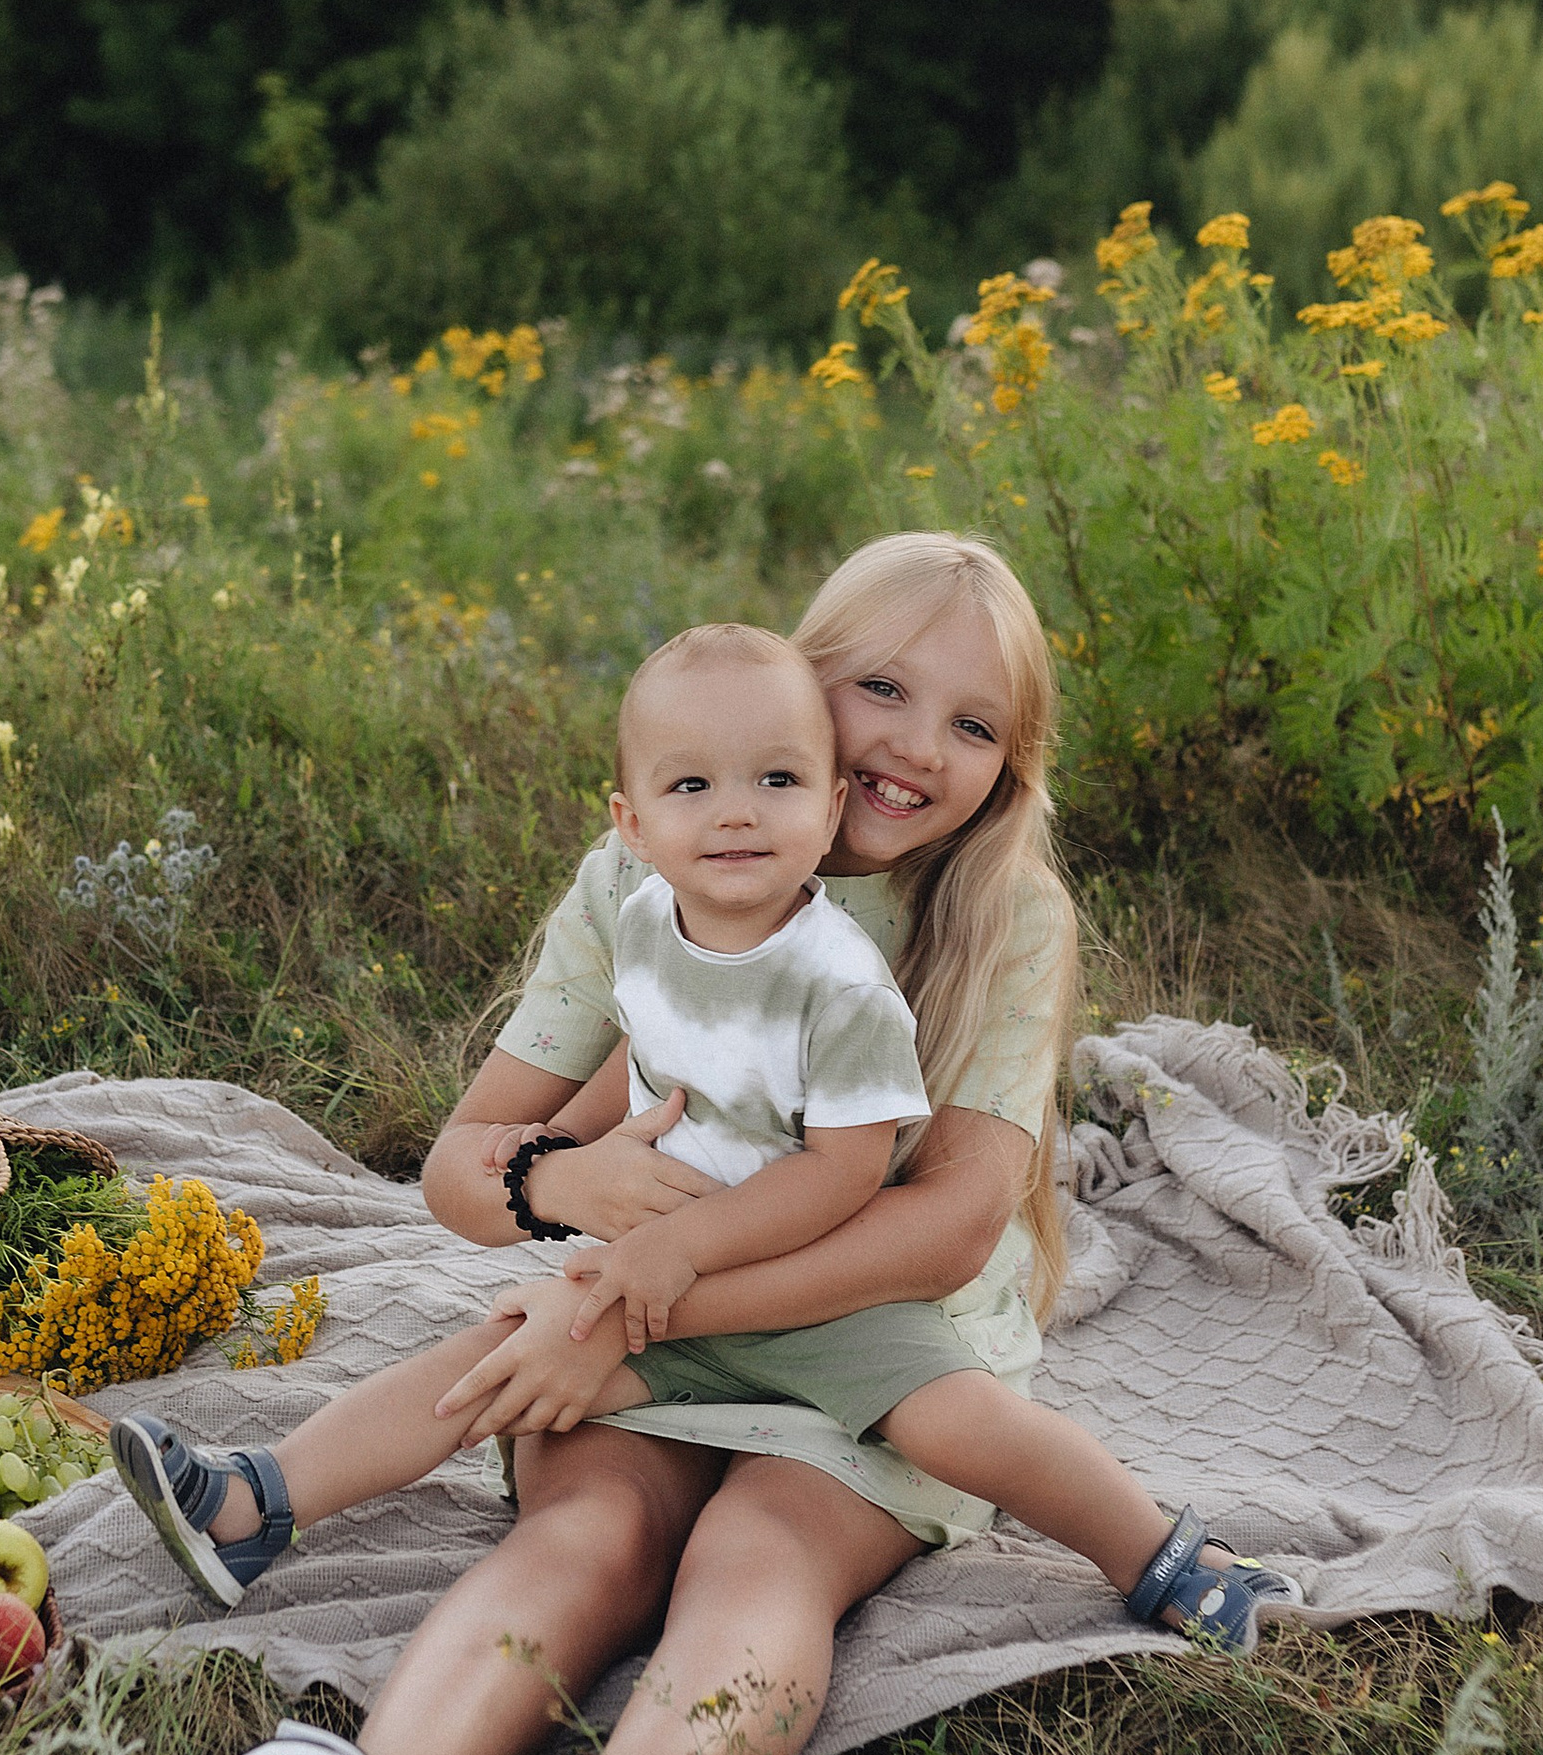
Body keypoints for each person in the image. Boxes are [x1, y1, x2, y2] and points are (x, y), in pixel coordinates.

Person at [175, 533, 1292, 1755]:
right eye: (882, 687)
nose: (913, 746)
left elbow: (943, 1229)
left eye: (974, 724)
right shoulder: (660, 862)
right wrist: (554, 1187)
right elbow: (462, 1160)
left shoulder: (997, 914)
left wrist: (633, 1303)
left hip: (875, 1348)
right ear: (800, 676)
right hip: (646, 1307)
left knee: (759, 1555)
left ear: (1014, 765)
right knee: (588, 1529)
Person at [111, 619, 1283, 1670]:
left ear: (820, 796)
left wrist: (667, 1263)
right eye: (699, 785)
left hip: (829, 1291)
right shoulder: (658, 923)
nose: (734, 811)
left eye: (773, 779)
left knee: (966, 1422)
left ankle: (1167, 1560)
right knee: (497, 1352)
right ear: (635, 820)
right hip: (677, 1278)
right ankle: (256, 1499)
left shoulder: (848, 974)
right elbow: (546, 1130)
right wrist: (573, 1180)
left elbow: (850, 1176)